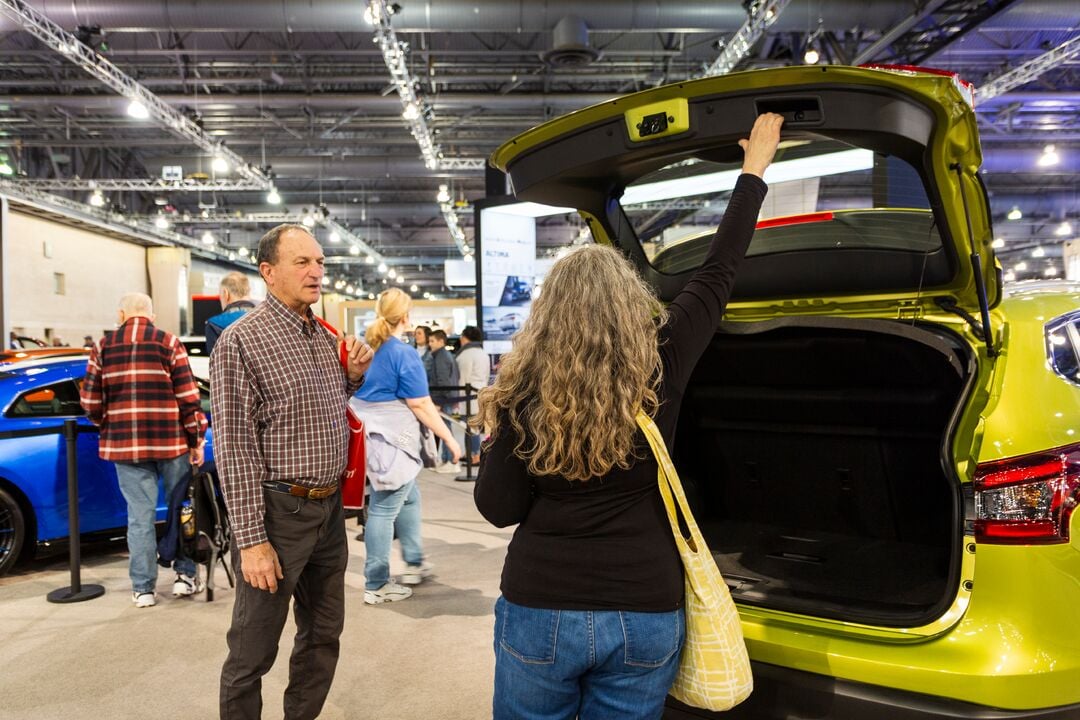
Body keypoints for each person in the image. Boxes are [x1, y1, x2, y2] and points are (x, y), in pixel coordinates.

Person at [473, 113, 783, 720]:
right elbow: (718, 272)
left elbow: (498, 508)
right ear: (630, 304)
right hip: (646, 607)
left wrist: (494, 442)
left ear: (547, 316)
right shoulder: (660, 364)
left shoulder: (522, 393)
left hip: (542, 606)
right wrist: (753, 173)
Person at [210, 223, 374, 719]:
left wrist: (352, 379)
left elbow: (320, 412)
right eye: (302, 262)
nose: (316, 271)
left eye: (320, 262)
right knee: (252, 649)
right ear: (268, 272)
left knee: (323, 635)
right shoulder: (241, 343)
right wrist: (252, 540)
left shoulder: (322, 337)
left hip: (327, 513)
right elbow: (235, 451)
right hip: (277, 513)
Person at [79, 292, 208, 607]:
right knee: (182, 510)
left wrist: (107, 423)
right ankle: (185, 577)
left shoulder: (102, 347)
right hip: (172, 443)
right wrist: (196, 440)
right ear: (151, 315)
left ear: (121, 314)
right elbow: (188, 397)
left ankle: (143, 589)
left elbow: (91, 401)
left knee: (139, 517)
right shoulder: (168, 342)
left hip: (125, 445)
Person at [350, 288, 461, 604]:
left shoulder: (367, 347)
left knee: (408, 495)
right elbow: (422, 405)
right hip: (392, 440)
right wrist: (451, 440)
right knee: (385, 508)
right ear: (407, 317)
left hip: (372, 437)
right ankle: (377, 581)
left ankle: (413, 561)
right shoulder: (403, 354)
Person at [426, 328, 461, 473]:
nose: (430, 344)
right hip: (447, 397)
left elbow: (443, 381)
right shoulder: (444, 355)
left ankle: (452, 462)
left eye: (432, 341)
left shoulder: (441, 357)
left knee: (445, 429)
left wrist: (439, 402)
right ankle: (447, 460)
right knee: (445, 428)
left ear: (441, 341)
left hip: (443, 399)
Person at [455, 325, 490, 465]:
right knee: (474, 426)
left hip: (468, 396)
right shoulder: (483, 353)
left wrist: (458, 398)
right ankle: (471, 454)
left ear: (464, 338)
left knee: (470, 427)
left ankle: (475, 456)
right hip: (480, 394)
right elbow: (486, 376)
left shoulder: (465, 355)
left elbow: (463, 379)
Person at [204, 271, 257, 355]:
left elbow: (217, 364)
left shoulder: (214, 325)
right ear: (248, 291)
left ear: (226, 294)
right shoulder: (268, 318)